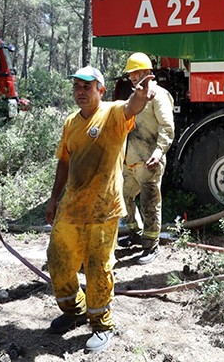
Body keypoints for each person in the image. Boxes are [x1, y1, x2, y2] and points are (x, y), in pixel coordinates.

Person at [45, 65, 155, 353]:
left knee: (98, 268)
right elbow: (64, 162)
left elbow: (132, 107)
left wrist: (141, 96)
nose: (80, 92)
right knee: (58, 260)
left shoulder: (113, 113)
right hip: (71, 207)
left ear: (100, 89)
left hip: (104, 210)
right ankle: (74, 310)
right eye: (77, 87)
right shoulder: (70, 122)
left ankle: (101, 324)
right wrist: (54, 198)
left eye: (87, 86)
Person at [117, 52, 175, 264]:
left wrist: (159, 153)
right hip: (130, 159)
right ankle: (134, 233)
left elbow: (167, 128)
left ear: (147, 72)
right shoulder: (135, 97)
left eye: (137, 72)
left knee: (150, 202)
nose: (133, 77)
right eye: (131, 74)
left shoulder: (159, 96)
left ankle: (151, 245)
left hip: (150, 159)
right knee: (123, 196)